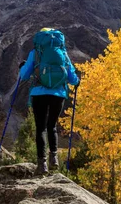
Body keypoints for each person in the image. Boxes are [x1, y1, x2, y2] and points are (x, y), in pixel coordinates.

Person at [19, 28, 79, 175]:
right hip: (58, 94)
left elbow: (24, 75)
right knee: (52, 126)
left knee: (41, 128)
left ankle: (42, 164)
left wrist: (22, 67)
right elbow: (72, 78)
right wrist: (77, 82)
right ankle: (54, 159)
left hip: (39, 93)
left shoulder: (36, 52)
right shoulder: (63, 54)